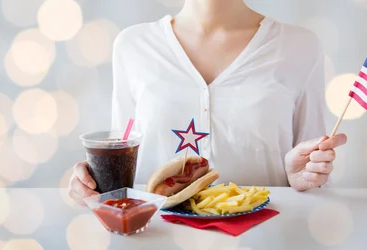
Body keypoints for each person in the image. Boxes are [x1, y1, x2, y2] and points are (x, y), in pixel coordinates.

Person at [68, 0, 347, 205]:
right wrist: (95, 182)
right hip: (156, 237)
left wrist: (303, 178)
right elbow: (125, 156)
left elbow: (316, 174)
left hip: (265, 235)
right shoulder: (132, 45)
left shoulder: (300, 46)